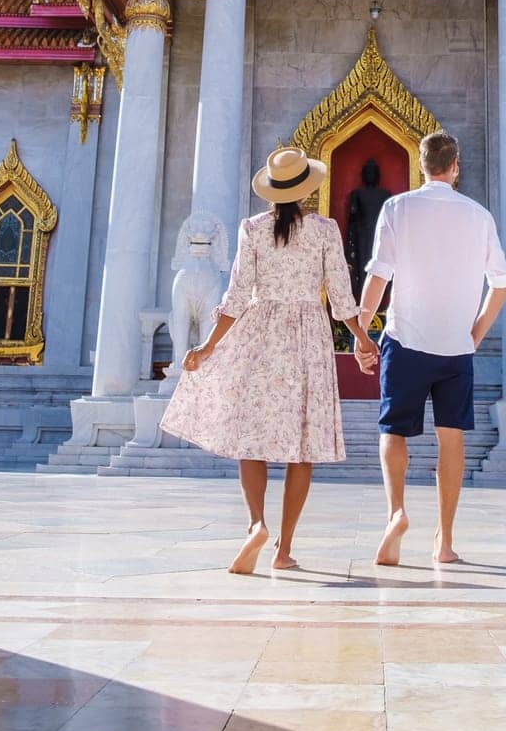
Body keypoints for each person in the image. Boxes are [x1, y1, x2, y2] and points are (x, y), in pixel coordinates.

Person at [161, 145, 380, 576]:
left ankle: (256, 524)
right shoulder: (324, 230)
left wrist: (206, 348)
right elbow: (340, 297)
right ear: (305, 190)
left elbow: (237, 296)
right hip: (307, 336)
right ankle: (283, 550)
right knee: (301, 449)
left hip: (260, 332)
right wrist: (363, 340)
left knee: (252, 437)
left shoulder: (253, 228)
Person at [359, 130, 506, 567]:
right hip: (455, 349)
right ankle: (444, 543)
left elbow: (379, 275)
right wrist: (475, 335)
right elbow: (501, 285)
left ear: (421, 164)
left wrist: (361, 330)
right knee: (452, 440)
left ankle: (397, 512)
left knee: (392, 431)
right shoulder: (479, 216)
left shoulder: (397, 207)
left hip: (405, 340)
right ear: (455, 165)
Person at [345, 156, 391, 300]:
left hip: (379, 234)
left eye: (373, 172)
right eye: (368, 172)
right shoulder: (357, 193)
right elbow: (352, 218)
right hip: (362, 236)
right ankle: (363, 300)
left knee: (379, 266)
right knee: (362, 266)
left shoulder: (386, 194)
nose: (370, 174)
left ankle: (377, 302)